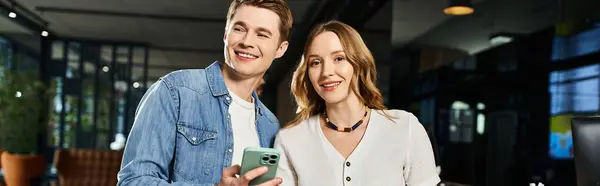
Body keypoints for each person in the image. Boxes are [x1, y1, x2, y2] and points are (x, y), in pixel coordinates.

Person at [117, 0, 292, 185]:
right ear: (226, 34)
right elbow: (133, 181)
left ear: (280, 49)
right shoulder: (175, 91)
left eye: (262, 34)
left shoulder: (270, 125)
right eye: (239, 29)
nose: (247, 42)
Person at [274, 20, 441, 186]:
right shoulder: (290, 140)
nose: (326, 72)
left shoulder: (404, 127)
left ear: (359, 63)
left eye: (339, 58)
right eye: (315, 62)